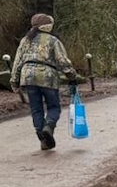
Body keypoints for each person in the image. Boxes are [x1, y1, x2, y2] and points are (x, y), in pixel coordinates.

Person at [9, 13, 77, 150]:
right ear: (48, 26)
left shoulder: (25, 41)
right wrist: (72, 75)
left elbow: (17, 62)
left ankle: (43, 139)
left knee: (36, 109)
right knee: (54, 107)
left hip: (27, 77)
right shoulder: (53, 41)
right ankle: (49, 126)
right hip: (47, 77)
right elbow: (62, 61)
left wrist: (14, 81)